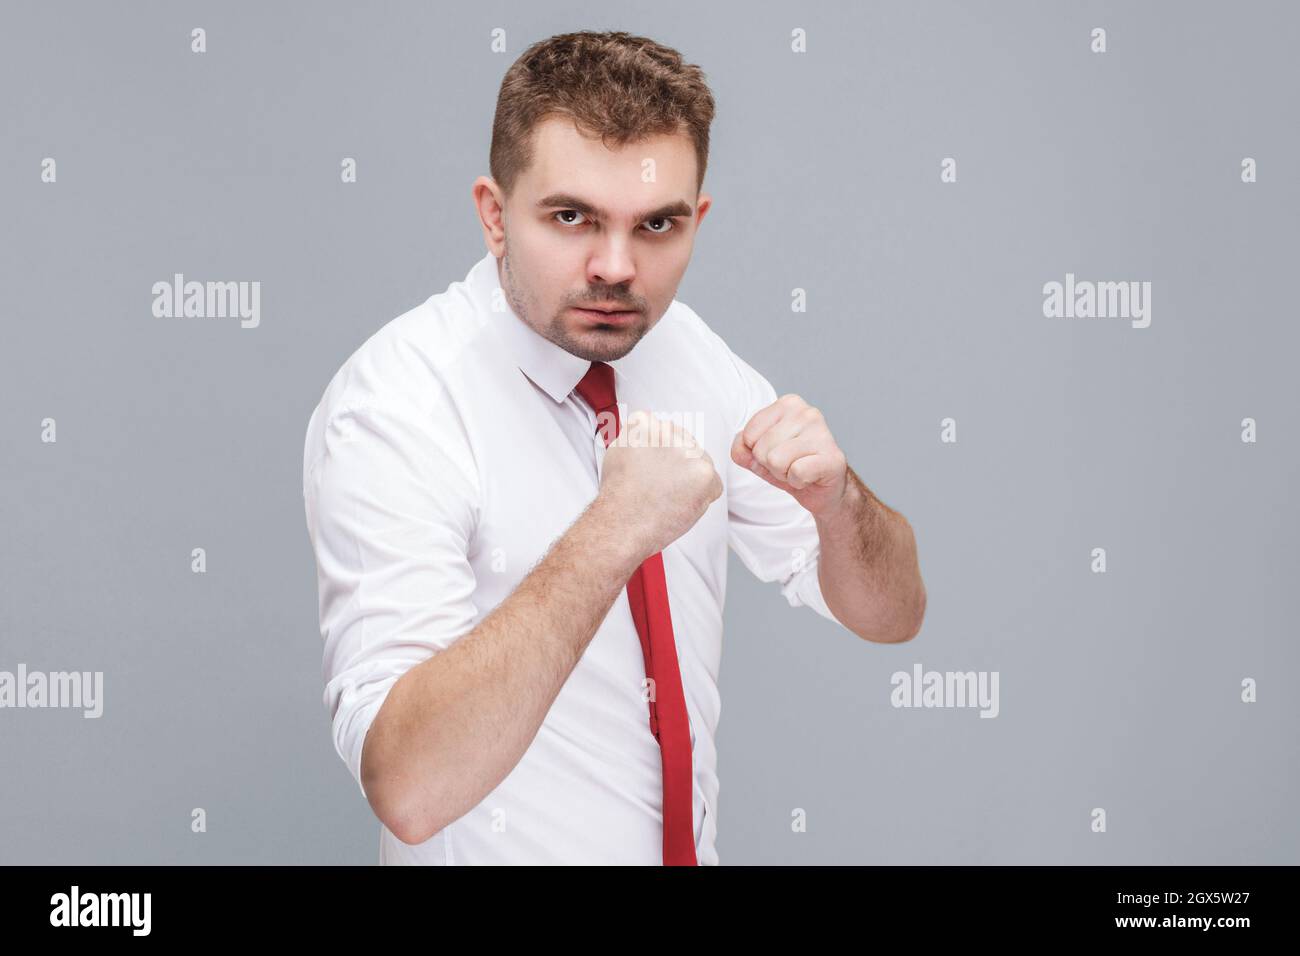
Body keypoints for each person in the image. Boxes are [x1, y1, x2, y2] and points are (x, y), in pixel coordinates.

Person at [302, 29, 926, 865]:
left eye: (657, 225)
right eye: (572, 218)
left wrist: (841, 504)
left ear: (696, 219)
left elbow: (893, 617)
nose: (617, 267)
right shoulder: (398, 408)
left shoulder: (685, 351)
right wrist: (613, 529)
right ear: (494, 215)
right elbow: (409, 789)